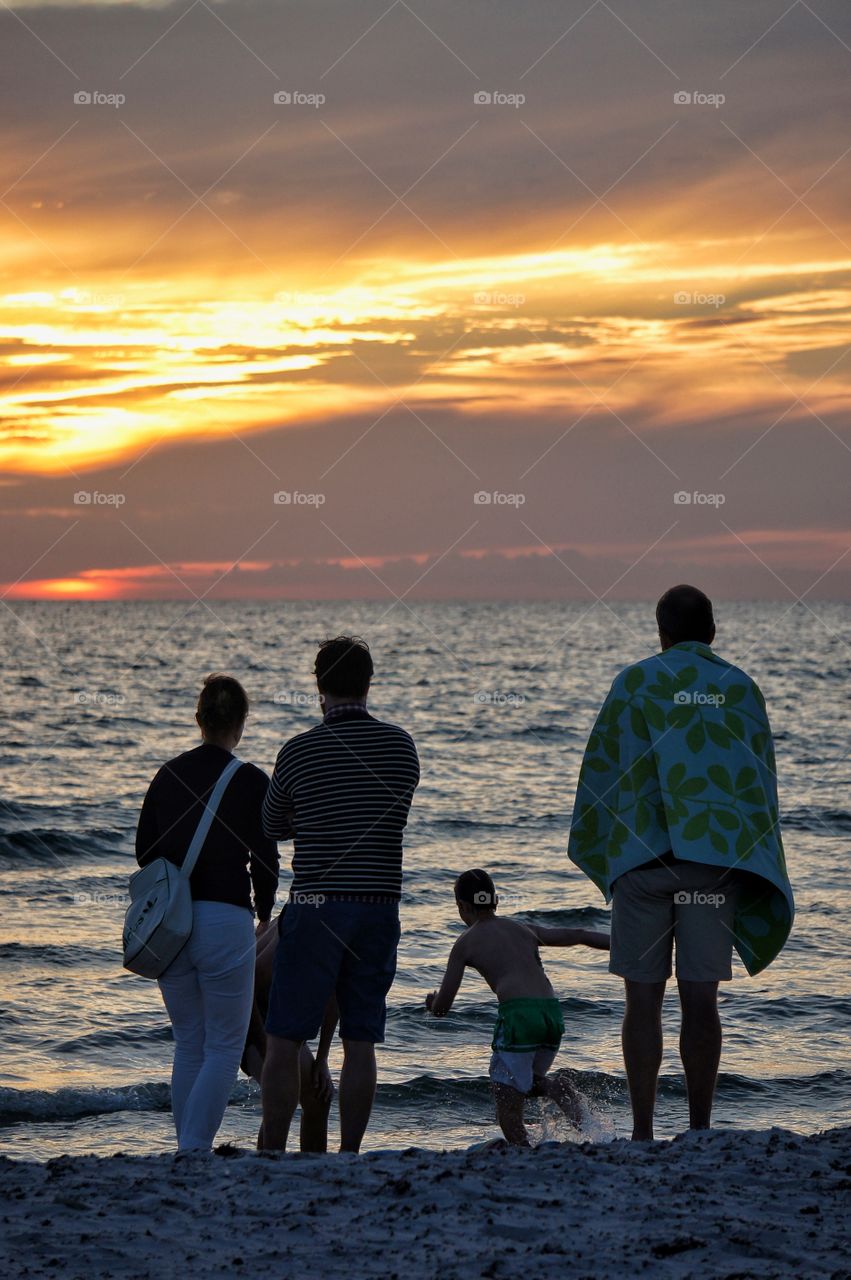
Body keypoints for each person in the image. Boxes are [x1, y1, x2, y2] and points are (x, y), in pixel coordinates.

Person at [568, 584, 794, 1140]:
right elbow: (757, 781)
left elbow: (602, 769)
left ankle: (643, 1130)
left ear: (661, 633)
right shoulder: (740, 688)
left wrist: (609, 844)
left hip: (644, 864)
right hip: (711, 865)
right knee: (700, 999)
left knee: (641, 1000)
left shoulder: (635, 681)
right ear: (713, 632)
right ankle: (698, 1128)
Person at [260, 636, 420, 1153]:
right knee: (361, 1040)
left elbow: (271, 824)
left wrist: (307, 817)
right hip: (377, 906)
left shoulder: (299, 751)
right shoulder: (401, 747)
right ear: (369, 684)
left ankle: (274, 1151)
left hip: (315, 906)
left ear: (318, 687)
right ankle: (350, 1154)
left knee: (285, 1038)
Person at [136, 674, 279, 1153]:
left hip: (170, 927)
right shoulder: (251, 779)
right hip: (225, 919)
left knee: (190, 1043)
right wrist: (264, 911)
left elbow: (144, 853)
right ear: (240, 723)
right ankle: (193, 1150)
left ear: (199, 720)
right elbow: (265, 858)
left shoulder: (166, 774)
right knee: (222, 1044)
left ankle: (187, 1150)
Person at [425, 869, 610, 1147]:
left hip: (519, 1016)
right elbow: (580, 934)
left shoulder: (465, 943)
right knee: (526, 1082)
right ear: (495, 900)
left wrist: (432, 1003)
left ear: (461, 907)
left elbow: (443, 1007)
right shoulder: (523, 929)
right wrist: (625, 947)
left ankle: (524, 1150)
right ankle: (555, 1092)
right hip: (551, 1014)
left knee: (507, 1104)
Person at [241, 912, 337, 1152]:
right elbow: (247, 981)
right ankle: (269, 1162)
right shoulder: (301, 925)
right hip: (244, 1013)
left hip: (278, 1020)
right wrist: (264, 1045)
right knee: (282, 1096)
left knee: (318, 1096)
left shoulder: (339, 929)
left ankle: (311, 1168)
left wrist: (323, 1058)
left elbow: (335, 995)